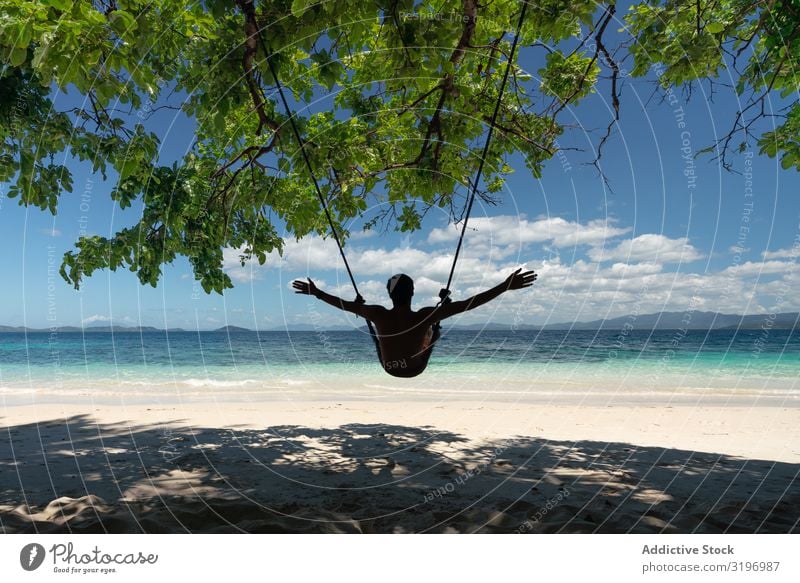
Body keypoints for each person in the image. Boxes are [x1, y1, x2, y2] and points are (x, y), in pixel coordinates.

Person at [292, 268, 537, 378]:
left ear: (390, 295)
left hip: (390, 367)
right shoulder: (424, 316)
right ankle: (439, 322)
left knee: (375, 324)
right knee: (434, 325)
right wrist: (504, 286)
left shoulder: (378, 313)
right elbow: (469, 304)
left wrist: (317, 292)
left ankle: (438, 319)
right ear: (412, 293)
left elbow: (343, 304)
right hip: (414, 368)